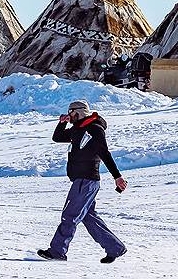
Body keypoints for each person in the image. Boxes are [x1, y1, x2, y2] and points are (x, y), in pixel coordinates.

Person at [38, 100, 128, 264]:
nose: (69, 114)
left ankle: (58, 251)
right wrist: (61, 123)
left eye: (70, 112)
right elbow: (57, 137)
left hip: (86, 180)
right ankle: (115, 248)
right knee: (89, 217)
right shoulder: (77, 129)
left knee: (70, 215)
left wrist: (117, 176)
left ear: (78, 112)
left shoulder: (94, 128)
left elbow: (104, 153)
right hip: (81, 180)